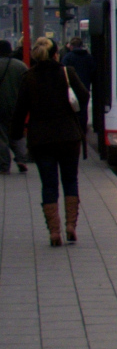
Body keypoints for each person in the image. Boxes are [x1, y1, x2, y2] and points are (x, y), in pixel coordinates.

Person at [9, 37, 90, 246]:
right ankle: (71, 225)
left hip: (41, 139)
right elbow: (83, 95)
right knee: (70, 180)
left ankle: (54, 232)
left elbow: (20, 111)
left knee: (49, 184)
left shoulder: (29, 78)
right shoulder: (67, 73)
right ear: (56, 54)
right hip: (68, 137)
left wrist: (15, 135)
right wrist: (77, 119)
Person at [0, 40, 30, 174]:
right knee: (16, 133)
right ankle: (22, 158)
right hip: (17, 106)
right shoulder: (20, 66)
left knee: (1, 136)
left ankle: (4, 164)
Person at [61, 35, 94, 137]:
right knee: (83, 111)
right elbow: (93, 72)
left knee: (72, 111)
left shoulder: (68, 57)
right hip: (85, 88)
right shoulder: (88, 57)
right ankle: (82, 131)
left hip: (71, 90)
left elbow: (63, 72)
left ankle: (74, 130)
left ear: (71, 46)